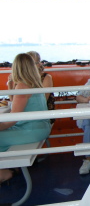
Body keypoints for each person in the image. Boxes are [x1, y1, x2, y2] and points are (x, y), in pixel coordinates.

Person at [0, 53, 51, 183]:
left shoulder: (22, 86)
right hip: (40, 127)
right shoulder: (35, 83)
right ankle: (7, 168)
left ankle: (3, 173)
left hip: (32, 130)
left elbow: (14, 118)